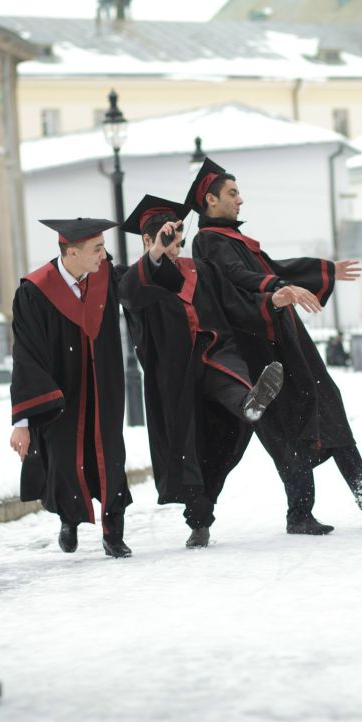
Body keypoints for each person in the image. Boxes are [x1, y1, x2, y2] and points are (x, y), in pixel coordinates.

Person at [188, 158, 362, 535]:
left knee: (325, 398)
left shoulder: (232, 238)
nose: (240, 200)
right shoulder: (210, 241)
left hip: (283, 338)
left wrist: (324, 270)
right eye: (232, 193)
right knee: (286, 424)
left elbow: (273, 266)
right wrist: (274, 288)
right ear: (210, 200)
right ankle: (299, 513)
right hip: (258, 346)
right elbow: (239, 278)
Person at [118, 195, 288, 547]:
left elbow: (237, 305)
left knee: (232, 392)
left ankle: (250, 402)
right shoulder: (137, 278)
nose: (176, 245)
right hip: (174, 376)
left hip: (214, 354)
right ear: (148, 241)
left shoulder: (201, 270)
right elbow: (131, 297)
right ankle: (199, 519)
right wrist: (155, 255)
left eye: (179, 238)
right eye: (168, 239)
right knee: (189, 452)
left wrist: (271, 300)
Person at [9, 218, 132, 557]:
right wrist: (22, 422)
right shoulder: (35, 291)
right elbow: (26, 355)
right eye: (97, 249)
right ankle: (69, 518)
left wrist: (154, 255)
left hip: (104, 392)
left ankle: (113, 533)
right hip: (63, 397)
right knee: (66, 462)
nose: (104, 256)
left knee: (110, 460)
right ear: (72, 252)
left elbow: (139, 286)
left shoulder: (106, 279)